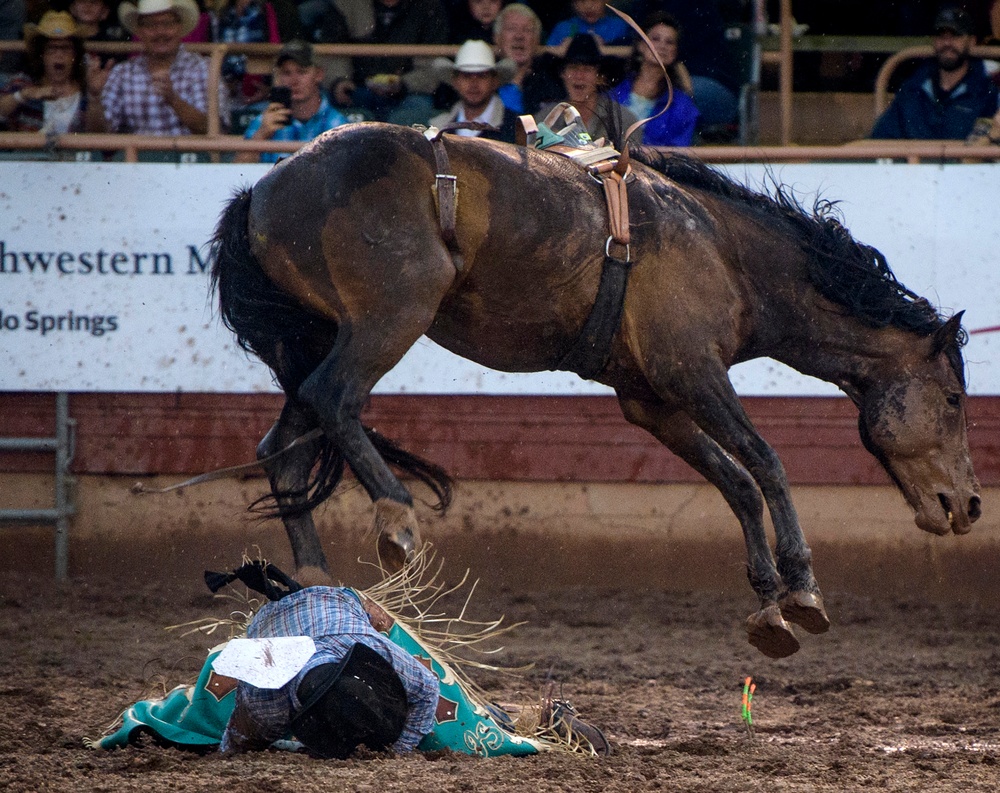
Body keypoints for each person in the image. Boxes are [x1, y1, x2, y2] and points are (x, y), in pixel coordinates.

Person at [220, 585, 440, 755]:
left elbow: (231, 747)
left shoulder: (369, 645)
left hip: (330, 601)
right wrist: (401, 750)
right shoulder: (266, 705)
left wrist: (399, 751)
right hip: (284, 614)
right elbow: (236, 741)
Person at [87, 0, 229, 136]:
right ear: (140, 31)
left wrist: (173, 100)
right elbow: (98, 135)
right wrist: (95, 98)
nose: (160, 32)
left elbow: (214, 129)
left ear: (180, 27)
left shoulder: (204, 68)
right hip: (138, 158)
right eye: (151, 25)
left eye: (167, 24)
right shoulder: (122, 73)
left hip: (191, 159)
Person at [871, 6, 1000, 139]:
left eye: (956, 36)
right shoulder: (913, 89)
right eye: (941, 36)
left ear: (972, 41)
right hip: (915, 160)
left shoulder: (988, 91)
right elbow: (881, 137)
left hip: (963, 160)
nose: (947, 43)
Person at [337, 0, 451, 126]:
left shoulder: (429, 6)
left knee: (412, 115)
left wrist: (403, 84)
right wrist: (339, 81)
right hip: (359, 89)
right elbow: (332, 51)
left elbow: (432, 65)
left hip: (410, 92)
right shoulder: (348, 4)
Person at [234, 39, 348, 163]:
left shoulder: (339, 125)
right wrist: (261, 135)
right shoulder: (263, 122)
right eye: (286, 73)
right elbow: (238, 174)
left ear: (319, 74)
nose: (294, 81)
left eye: (301, 72)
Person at [0, 10, 105, 134]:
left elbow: (98, 138)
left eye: (65, 48)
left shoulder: (87, 89)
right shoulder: (22, 83)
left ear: (75, 55)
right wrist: (24, 94)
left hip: (74, 153)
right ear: (42, 54)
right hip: (28, 153)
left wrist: (95, 98)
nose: (59, 55)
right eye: (52, 48)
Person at [607, 11, 698, 147]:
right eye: (655, 39)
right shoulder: (612, 95)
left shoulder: (682, 105)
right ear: (641, 45)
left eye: (669, 42)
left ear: (676, 51)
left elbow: (679, 152)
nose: (662, 46)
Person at [536, 32, 639, 145]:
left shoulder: (623, 120)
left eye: (587, 69)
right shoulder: (545, 119)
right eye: (573, 68)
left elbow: (631, 160)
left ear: (600, 77)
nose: (579, 76)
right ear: (562, 74)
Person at [429, 38, 518, 142]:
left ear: (494, 81)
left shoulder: (516, 127)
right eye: (466, 76)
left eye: (481, 76)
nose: (473, 84)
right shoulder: (438, 127)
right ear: (455, 81)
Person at [494, 2, 562, 115]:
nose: (519, 36)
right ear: (497, 38)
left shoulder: (551, 85)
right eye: (512, 29)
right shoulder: (485, 83)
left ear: (537, 39)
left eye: (527, 30)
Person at [214, 0, 281, 107]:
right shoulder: (223, 14)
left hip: (261, 93)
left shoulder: (267, 9)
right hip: (228, 93)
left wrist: (270, 90)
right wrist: (226, 84)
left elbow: (278, 52)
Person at [545, 0, 630, 47]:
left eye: (594, 1)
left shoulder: (619, 25)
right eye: (582, 1)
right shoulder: (563, 27)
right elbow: (547, 53)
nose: (588, 6)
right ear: (574, 4)